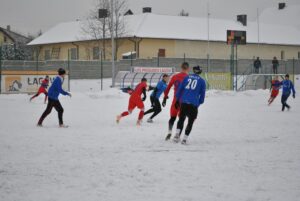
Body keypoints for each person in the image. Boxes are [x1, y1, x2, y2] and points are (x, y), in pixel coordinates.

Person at [173, 66, 206, 144]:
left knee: (181, 119)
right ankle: (184, 139)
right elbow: (202, 95)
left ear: (194, 71)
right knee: (190, 122)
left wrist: (177, 99)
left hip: (184, 102)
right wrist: (199, 103)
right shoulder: (202, 81)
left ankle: (177, 135)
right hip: (193, 104)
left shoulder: (186, 77)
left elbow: (180, 89)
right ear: (200, 72)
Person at [163, 62, 190, 141]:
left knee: (172, 117)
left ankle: (169, 131)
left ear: (181, 68)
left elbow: (167, 88)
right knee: (181, 119)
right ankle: (177, 135)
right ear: (188, 68)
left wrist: (165, 97)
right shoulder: (189, 78)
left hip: (175, 100)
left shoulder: (175, 76)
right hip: (184, 101)